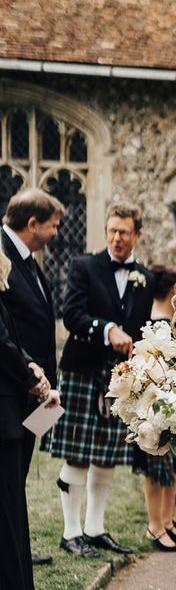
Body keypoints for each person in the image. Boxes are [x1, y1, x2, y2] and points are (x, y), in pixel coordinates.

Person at [42, 202, 154, 558]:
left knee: (107, 457)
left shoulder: (145, 278)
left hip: (118, 380)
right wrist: (107, 330)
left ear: (137, 234)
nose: (117, 238)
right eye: (112, 231)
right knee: (77, 455)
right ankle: (70, 532)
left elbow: (141, 327)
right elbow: (72, 315)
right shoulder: (84, 266)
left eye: (124, 232)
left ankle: (94, 529)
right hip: (81, 370)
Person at [1, 188, 64, 565]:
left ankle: (16, 548)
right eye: (54, 226)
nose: (56, 233)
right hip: (12, 385)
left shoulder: (27, 259)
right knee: (9, 475)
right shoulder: (3, 255)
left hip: (30, 388)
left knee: (18, 472)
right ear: (32, 223)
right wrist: (30, 375)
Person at [133, 263, 176, 552]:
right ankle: (156, 525)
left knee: (169, 469)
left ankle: (166, 520)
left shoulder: (166, 322)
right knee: (156, 471)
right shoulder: (159, 326)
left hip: (168, 407)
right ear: (175, 290)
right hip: (156, 409)